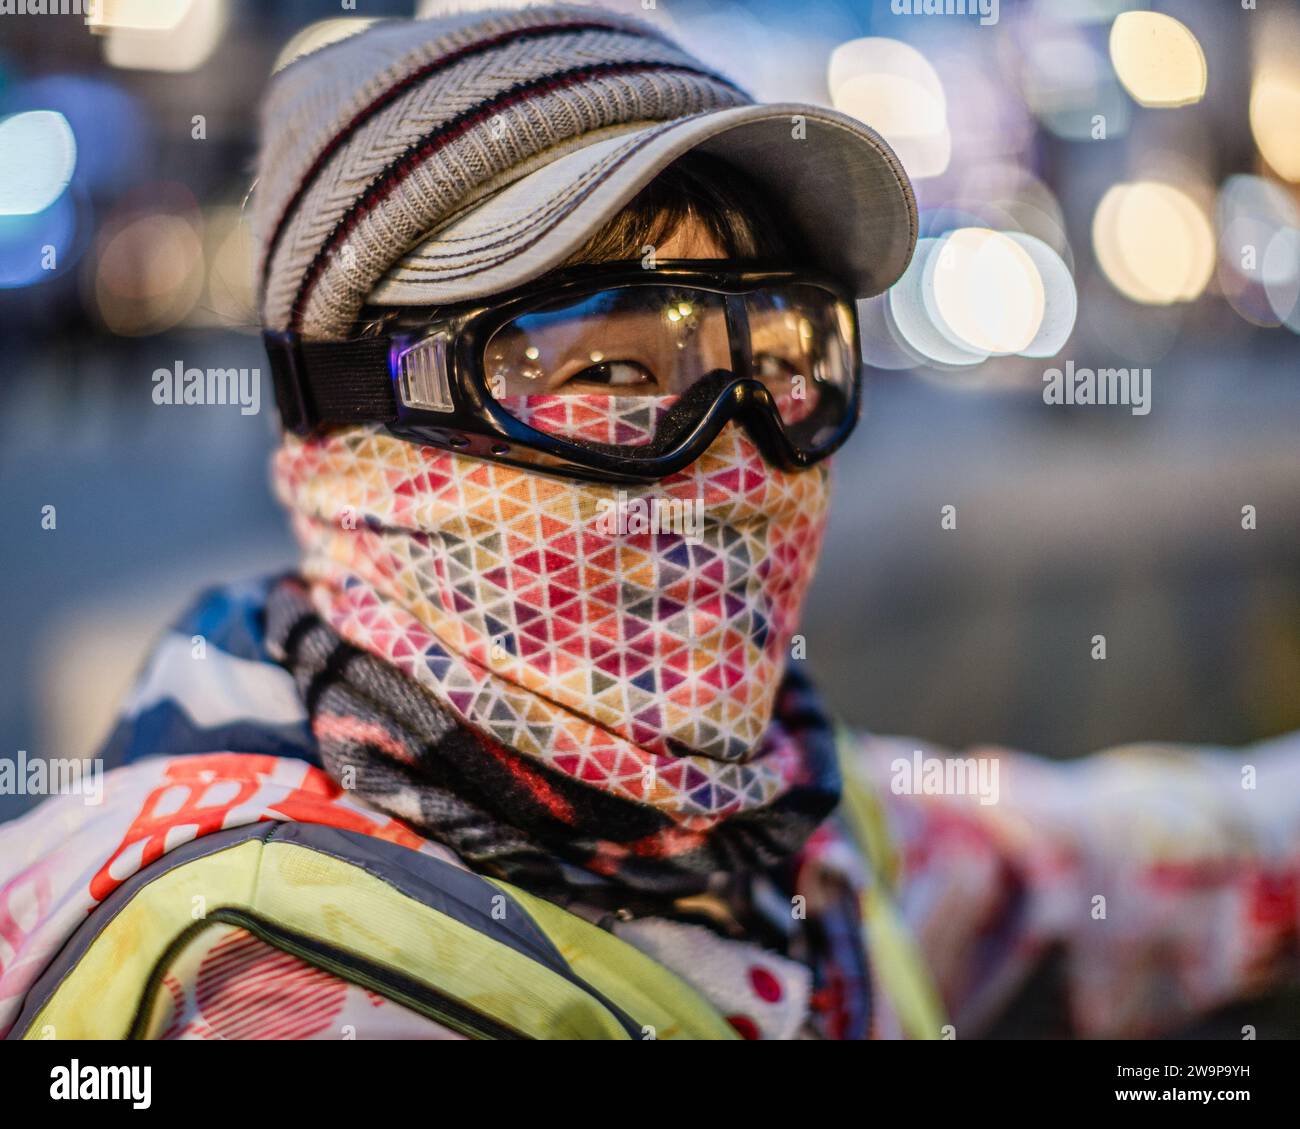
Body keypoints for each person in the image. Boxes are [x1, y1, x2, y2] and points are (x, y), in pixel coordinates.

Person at [1, 6, 1296, 1041]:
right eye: (607, 369)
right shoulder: (257, 970)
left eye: (782, 354)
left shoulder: (776, 832)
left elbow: (1111, 866)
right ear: (349, 422)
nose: (739, 453)